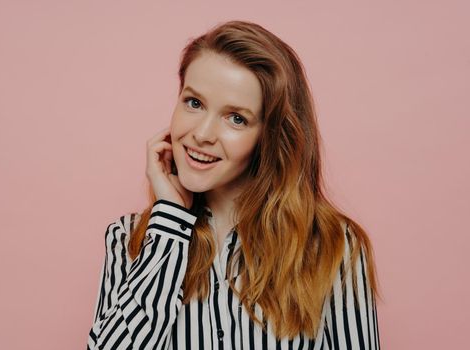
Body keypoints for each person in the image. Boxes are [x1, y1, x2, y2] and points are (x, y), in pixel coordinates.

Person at [87, 20, 380, 349]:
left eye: (236, 118)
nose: (202, 134)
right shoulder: (128, 240)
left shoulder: (332, 245)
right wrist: (169, 219)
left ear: (269, 137)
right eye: (194, 103)